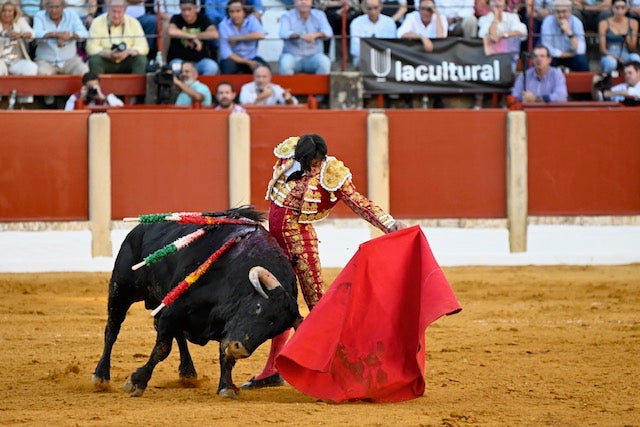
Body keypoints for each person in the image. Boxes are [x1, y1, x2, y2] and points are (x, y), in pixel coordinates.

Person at [241, 133, 406, 390]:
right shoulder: (289, 157)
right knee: (278, 301)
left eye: (316, 161)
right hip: (273, 243)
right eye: (309, 161)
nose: (313, 167)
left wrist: (389, 223)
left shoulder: (332, 172)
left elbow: (359, 202)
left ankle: (341, 367)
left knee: (317, 305)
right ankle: (273, 370)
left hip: (301, 244)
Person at [86, 0, 149, 74]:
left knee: (141, 59)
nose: (116, 16)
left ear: (124, 11)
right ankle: (97, 85)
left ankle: (136, 85)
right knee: (94, 60)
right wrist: (108, 54)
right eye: (114, 11)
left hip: (126, 59)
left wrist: (128, 52)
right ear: (108, 10)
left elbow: (144, 47)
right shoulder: (97, 22)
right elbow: (90, 48)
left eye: (119, 12)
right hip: (106, 59)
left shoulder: (134, 22)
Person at [33, 0, 89, 76]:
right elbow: (36, 34)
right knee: (42, 73)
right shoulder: (40, 15)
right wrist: (57, 35)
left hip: (70, 60)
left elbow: (84, 34)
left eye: (57, 7)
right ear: (46, 7)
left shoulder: (71, 15)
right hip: (46, 61)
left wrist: (69, 36)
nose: (53, 10)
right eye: (51, 7)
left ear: (63, 7)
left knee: (83, 70)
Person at [278, 0, 333, 75]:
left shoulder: (319, 15)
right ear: (294, 2)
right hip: (292, 56)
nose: (303, 2)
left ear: (311, 2)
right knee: (285, 64)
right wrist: (301, 36)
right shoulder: (287, 16)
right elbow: (283, 33)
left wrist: (315, 35)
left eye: (306, 0)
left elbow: (329, 32)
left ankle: (318, 87)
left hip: (313, 56)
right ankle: (288, 87)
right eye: (300, 0)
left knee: (324, 62)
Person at [167, 0, 219, 76]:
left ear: (196, 8)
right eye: (183, 10)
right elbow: (171, 31)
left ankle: (200, 87)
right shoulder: (176, 18)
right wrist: (192, 37)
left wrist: (194, 36)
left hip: (199, 61)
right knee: (174, 67)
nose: (186, 13)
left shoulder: (202, 18)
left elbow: (214, 34)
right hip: (180, 60)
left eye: (189, 9)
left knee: (212, 67)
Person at [218, 0, 268, 74]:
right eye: (231, 12)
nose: (234, 15)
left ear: (244, 12)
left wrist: (237, 37)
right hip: (233, 59)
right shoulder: (223, 25)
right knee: (228, 68)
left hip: (251, 57)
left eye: (238, 11)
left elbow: (261, 35)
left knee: (265, 70)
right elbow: (226, 53)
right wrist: (248, 62)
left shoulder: (251, 19)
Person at [540, 0, 589, 71]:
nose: (561, 15)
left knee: (582, 61)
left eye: (564, 11)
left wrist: (569, 33)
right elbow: (546, 47)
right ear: (553, 12)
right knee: (544, 60)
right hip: (554, 56)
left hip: (572, 56)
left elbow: (581, 50)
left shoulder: (577, 22)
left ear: (570, 12)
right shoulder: (547, 22)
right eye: (558, 12)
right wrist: (562, 54)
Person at [0, 0, 37, 92]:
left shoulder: (19, 21)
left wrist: (20, 35)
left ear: (14, 12)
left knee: (31, 67)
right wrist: (5, 33)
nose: (6, 14)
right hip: (1, 60)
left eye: (10, 11)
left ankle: (24, 100)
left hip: (16, 60)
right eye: (4, 11)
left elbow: (32, 34)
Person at [349, 0, 397, 68]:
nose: (373, 12)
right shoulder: (356, 23)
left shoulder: (389, 22)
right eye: (369, 8)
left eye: (375, 8)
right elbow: (355, 49)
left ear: (381, 6)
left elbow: (393, 45)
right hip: (363, 59)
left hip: (386, 58)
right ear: (365, 8)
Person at [597, 0, 640, 74]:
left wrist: (628, 39)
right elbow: (602, 49)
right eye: (617, 8)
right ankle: (606, 80)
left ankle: (636, 83)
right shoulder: (603, 23)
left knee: (636, 58)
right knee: (611, 63)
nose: (620, 11)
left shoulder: (633, 23)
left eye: (623, 8)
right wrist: (616, 57)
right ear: (612, 8)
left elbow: (633, 48)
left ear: (626, 9)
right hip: (609, 54)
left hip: (626, 52)